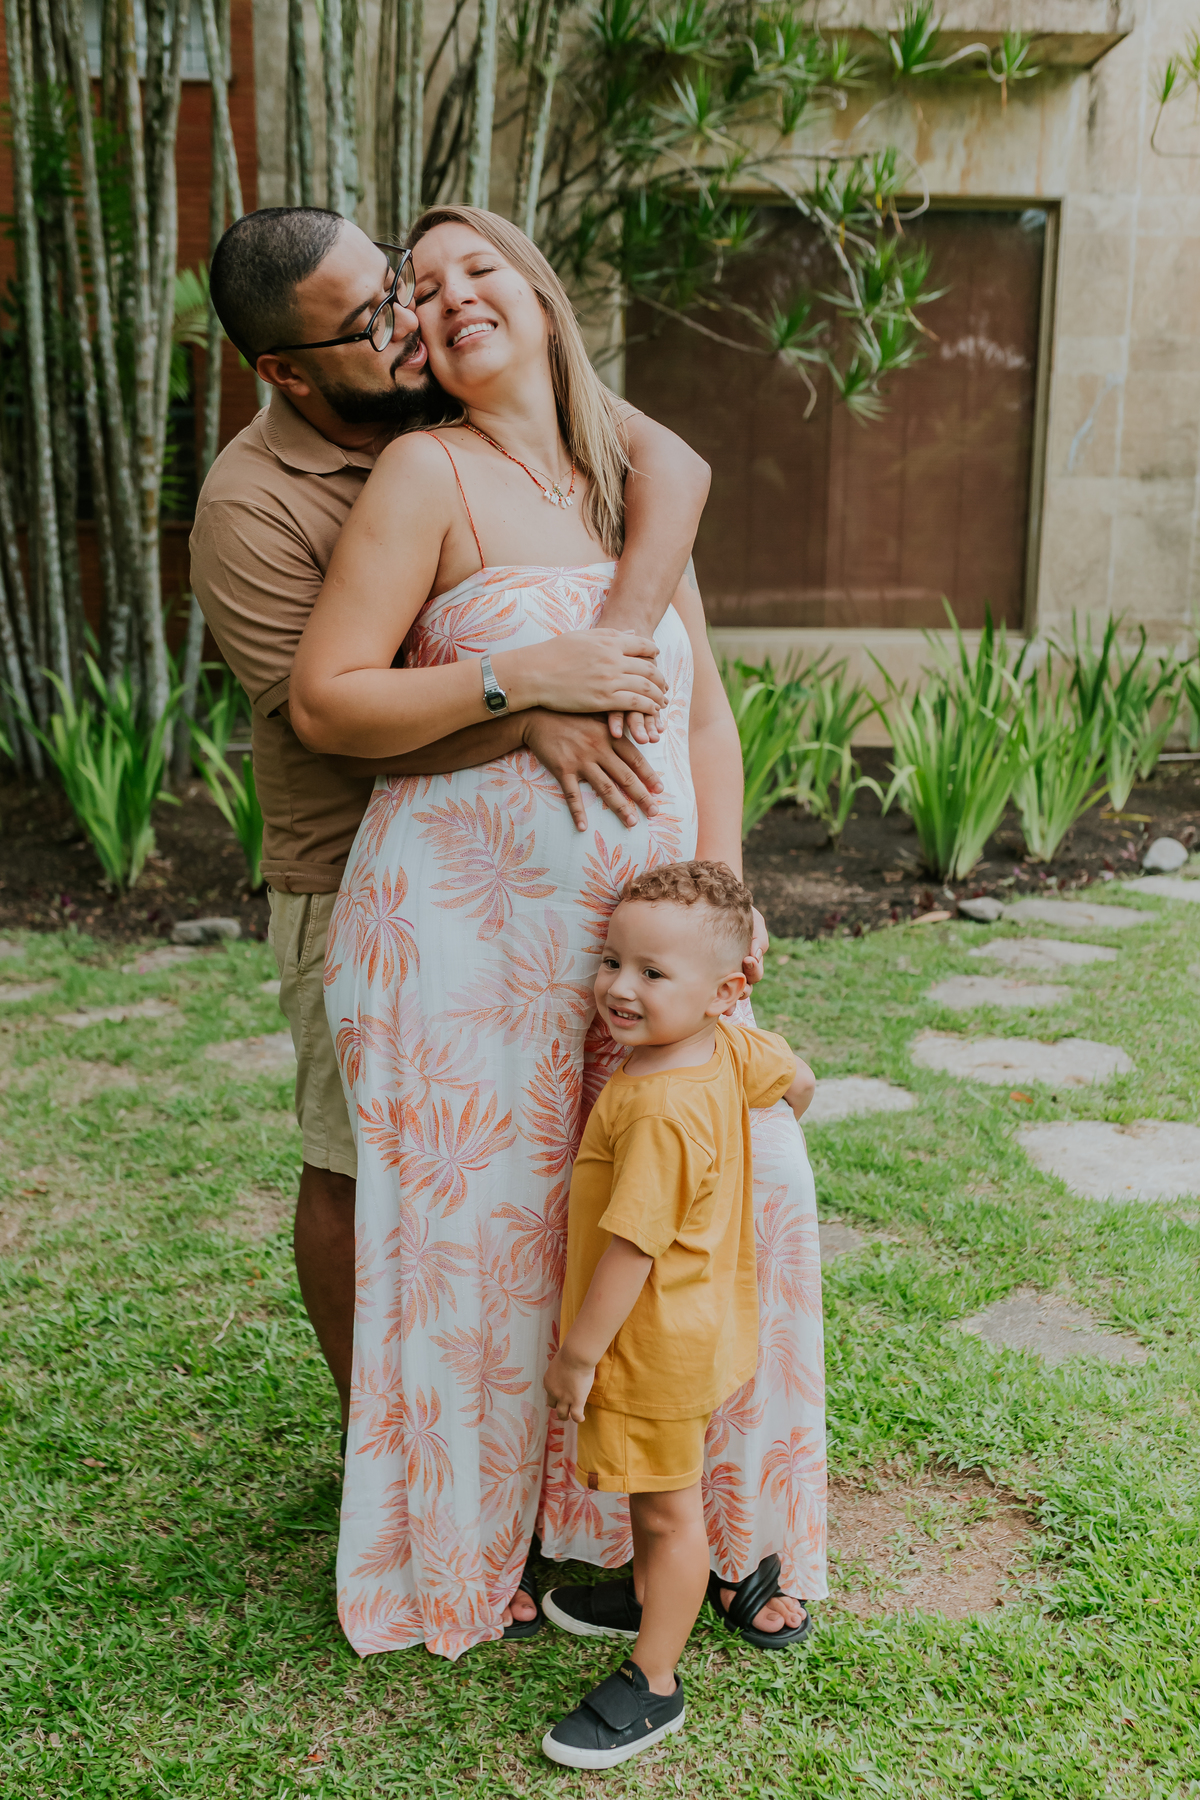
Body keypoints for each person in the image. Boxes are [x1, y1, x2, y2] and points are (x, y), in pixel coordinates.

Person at [290, 204, 828, 1660]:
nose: (456, 294)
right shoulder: (425, 469)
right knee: (501, 1237)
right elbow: (329, 700)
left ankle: (703, 1520)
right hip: (465, 939)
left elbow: (702, 711)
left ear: (542, 296)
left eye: (485, 269)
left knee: (736, 1188)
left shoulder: (624, 483)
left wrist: (720, 904)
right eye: (424, 287)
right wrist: (520, 678)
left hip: (650, 949)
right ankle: (502, 1539)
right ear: (410, 338)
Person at [190, 205, 712, 1571]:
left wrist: (612, 642)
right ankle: (398, 1450)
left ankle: (564, 1465)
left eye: (402, 288)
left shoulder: (466, 407)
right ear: (291, 373)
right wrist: (531, 701)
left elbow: (671, 463)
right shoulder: (256, 505)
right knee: (360, 1168)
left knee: (557, 1179)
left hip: (565, 893)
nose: (408, 321)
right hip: (359, 866)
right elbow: (329, 719)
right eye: (376, 316)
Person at [541, 862, 814, 1770]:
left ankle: (655, 1678)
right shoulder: (727, 1049)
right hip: (697, 1329)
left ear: (722, 990)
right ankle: (659, 1591)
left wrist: (578, 1356)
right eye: (612, 961)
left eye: (653, 974)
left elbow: (632, 1246)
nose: (619, 988)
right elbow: (796, 1077)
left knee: (667, 1513)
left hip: (648, 1346)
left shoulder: (657, 1105)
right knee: (658, 1501)